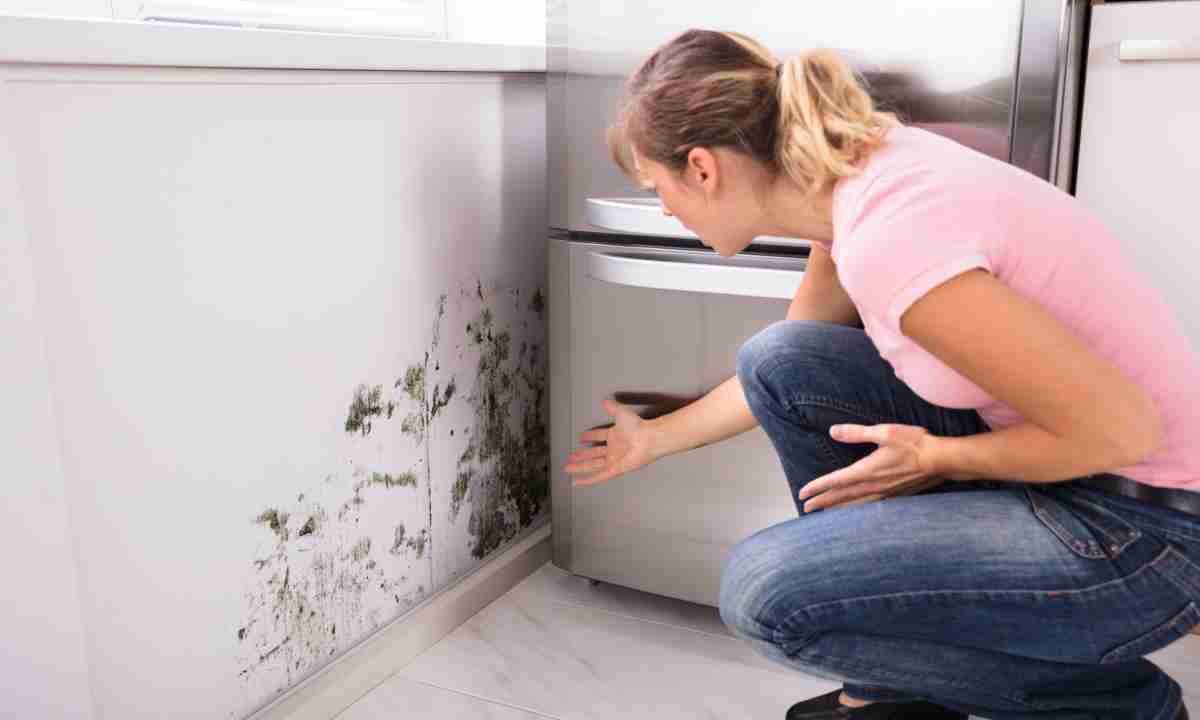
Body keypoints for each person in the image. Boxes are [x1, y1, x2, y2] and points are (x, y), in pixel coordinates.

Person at [563, 29, 1200, 720]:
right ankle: (891, 692)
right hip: (1082, 469)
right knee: (783, 358)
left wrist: (938, 457)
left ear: (702, 168)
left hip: (1145, 533)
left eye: (658, 188)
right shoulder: (852, 181)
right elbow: (785, 367)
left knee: (764, 597)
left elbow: (1123, 430)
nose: (664, 210)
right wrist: (652, 440)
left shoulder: (891, 240)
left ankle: (1118, 704)